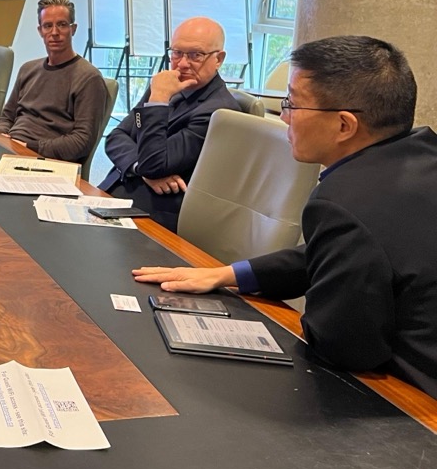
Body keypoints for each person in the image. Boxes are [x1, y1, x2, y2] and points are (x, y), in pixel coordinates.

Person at [134, 35, 437, 397]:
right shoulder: (421, 156)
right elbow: (346, 252)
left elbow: (344, 347)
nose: (285, 116)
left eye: (292, 103)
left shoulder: (343, 202)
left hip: (411, 405)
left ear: (344, 125)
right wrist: (230, 273)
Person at [98, 16, 239, 231]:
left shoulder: (218, 111)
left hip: (153, 213)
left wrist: (158, 101)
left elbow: (154, 165)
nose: (182, 64)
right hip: (114, 190)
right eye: (177, 53)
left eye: (195, 55)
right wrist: (139, 169)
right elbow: (116, 137)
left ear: (218, 59)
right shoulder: (166, 86)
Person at [0, 0, 107, 164]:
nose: (54, 33)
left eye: (62, 25)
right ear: (40, 31)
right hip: (10, 150)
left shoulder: (89, 78)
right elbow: (7, 116)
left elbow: (82, 141)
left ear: (73, 29)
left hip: (46, 160)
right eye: (48, 26)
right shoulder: (27, 69)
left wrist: (29, 146)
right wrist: (1, 136)